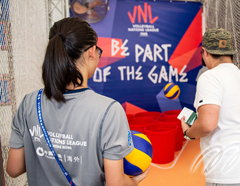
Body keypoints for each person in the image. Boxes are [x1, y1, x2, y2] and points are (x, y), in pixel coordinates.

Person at [6, 17, 149, 186]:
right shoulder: (109, 111)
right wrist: (134, 182)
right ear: (91, 52)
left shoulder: (29, 103)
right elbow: (115, 183)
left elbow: (13, 168)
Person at [181, 28, 240, 185]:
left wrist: (189, 132)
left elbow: (207, 125)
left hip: (230, 172)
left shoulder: (209, 77)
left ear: (204, 52)